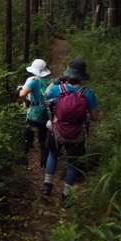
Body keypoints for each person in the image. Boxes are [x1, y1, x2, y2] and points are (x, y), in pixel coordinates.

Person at [41, 59, 99, 201]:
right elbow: (95, 117)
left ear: (67, 74)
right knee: (72, 162)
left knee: (53, 154)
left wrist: (56, 81)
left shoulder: (57, 90)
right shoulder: (88, 93)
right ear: (82, 76)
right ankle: (66, 194)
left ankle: (47, 185)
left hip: (57, 131)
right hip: (77, 135)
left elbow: (46, 93)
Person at [18, 59, 54, 168]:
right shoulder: (53, 81)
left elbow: (22, 94)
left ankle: (24, 162)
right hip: (47, 115)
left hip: (33, 115)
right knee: (43, 140)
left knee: (27, 138)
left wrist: (26, 102)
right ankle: (44, 162)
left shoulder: (34, 81)